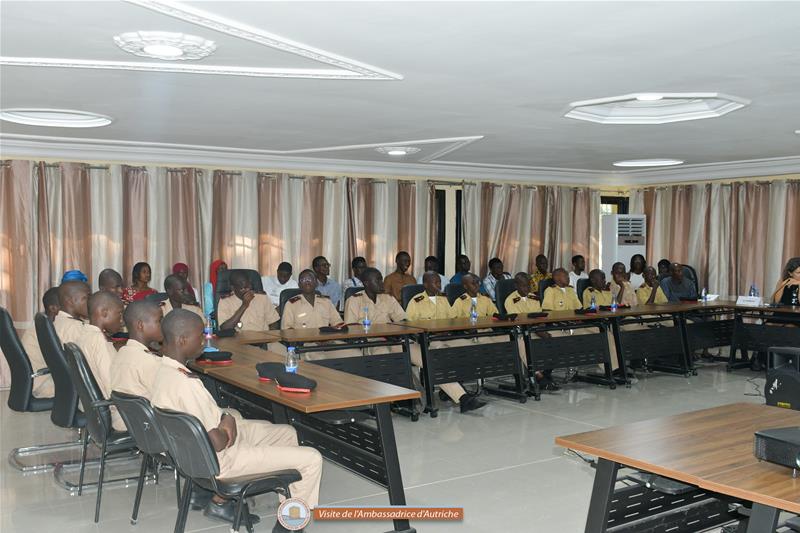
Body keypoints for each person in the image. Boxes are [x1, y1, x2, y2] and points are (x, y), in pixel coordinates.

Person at [150, 309, 323, 531]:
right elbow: (218, 441)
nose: (205, 339)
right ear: (183, 340)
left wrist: (226, 418)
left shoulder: (165, 371)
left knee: (286, 432)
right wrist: (228, 421)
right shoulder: (185, 384)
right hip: (221, 460)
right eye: (200, 335)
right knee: (312, 458)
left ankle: (284, 491)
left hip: (198, 456)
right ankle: (290, 526)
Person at [406, 272, 485, 413]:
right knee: (442, 352)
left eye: (439, 282)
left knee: (469, 347)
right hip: (429, 341)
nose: (439, 285)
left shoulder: (443, 299)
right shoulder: (415, 301)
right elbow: (409, 326)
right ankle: (460, 395)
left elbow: (452, 320)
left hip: (447, 337)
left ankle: (454, 385)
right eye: (435, 282)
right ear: (425, 284)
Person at [76, 291, 125, 431]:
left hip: (92, 408)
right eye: (119, 314)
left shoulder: (86, 334)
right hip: (115, 415)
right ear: (104, 313)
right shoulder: (98, 341)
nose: (122, 320)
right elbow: (113, 388)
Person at [504, 272, 559, 391]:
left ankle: (547, 373)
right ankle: (538, 377)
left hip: (535, 329)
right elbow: (518, 321)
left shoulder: (534, 298)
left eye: (528, 285)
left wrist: (541, 330)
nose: (527, 288)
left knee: (554, 339)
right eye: (523, 285)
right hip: (520, 333)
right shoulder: (510, 300)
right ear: (516, 285)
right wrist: (538, 331)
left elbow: (540, 317)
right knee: (524, 344)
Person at [110, 301, 163, 399]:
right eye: (159, 321)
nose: (164, 325)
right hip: (145, 414)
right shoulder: (150, 362)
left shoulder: (121, 352)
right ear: (140, 325)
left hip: (125, 413)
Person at [21, 287, 60, 398]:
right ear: (53, 308)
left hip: (36, 381)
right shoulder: (51, 330)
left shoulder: (42, 325)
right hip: (44, 385)